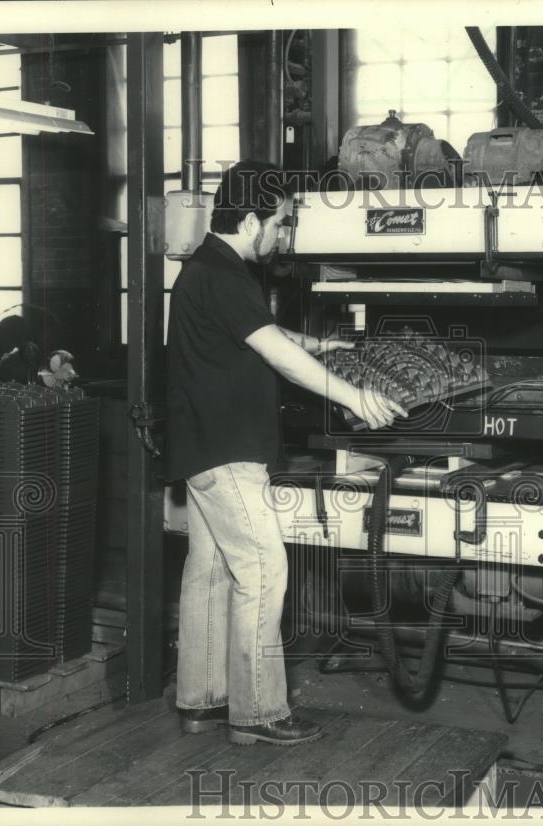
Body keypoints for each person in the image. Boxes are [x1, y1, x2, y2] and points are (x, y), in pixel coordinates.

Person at [165, 161, 406, 746]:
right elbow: (275, 352)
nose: (283, 234)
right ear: (250, 220)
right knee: (264, 570)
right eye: (280, 222)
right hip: (227, 453)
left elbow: (257, 332)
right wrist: (356, 396)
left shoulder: (209, 268)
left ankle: (201, 701)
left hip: (202, 447)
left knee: (212, 571)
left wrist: (322, 343)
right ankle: (259, 713)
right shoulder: (225, 275)